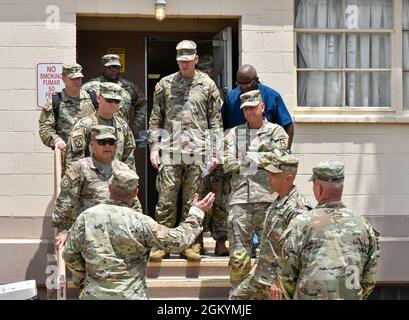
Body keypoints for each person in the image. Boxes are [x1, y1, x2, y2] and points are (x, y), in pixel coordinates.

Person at [63, 165, 215, 299]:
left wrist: (87, 275)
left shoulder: (86, 218)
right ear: (136, 192)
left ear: (109, 187)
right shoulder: (143, 223)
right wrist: (196, 213)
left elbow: (69, 254)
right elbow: (177, 241)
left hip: (94, 295)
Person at [148, 40, 223, 261]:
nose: (184, 65)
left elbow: (215, 121)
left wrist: (215, 152)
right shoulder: (165, 84)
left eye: (188, 61)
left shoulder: (208, 85)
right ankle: (161, 243)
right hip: (170, 150)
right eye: (181, 61)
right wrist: (154, 147)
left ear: (196, 59)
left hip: (198, 151)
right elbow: (156, 119)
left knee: (194, 199)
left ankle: (191, 244)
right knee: (166, 198)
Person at [277, 161, 381, 300]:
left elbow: (286, 276)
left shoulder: (301, 224)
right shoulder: (363, 225)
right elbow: (369, 277)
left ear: (318, 187)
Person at [223, 89, 289, 289]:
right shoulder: (234, 134)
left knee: (270, 253)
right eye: (245, 109)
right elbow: (227, 163)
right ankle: (239, 295)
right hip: (240, 201)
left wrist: (248, 159)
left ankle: (269, 292)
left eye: (253, 108)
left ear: (262, 107)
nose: (249, 112)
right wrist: (262, 159)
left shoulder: (276, 132)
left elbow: (280, 160)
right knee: (238, 256)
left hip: (268, 199)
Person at [230, 149, 312, 299]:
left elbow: (294, 253)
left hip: (278, 283)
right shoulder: (277, 202)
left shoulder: (297, 209)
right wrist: (257, 264)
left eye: (274, 174)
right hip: (262, 275)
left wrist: (279, 282)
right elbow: (268, 238)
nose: (268, 177)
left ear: (288, 178)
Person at [53, 125, 141, 249]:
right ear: (92, 144)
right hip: (90, 234)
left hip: (119, 234)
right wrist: (63, 231)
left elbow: (134, 202)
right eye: (102, 142)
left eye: (111, 142)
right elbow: (65, 202)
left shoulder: (123, 169)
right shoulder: (80, 168)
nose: (107, 146)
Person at [196, 54, 228, 256]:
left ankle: (220, 241)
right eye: (203, 69)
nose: (206, 73)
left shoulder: (220, 94)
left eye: (208, 70)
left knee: (220, 198)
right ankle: (196, 239)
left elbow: (219, 124)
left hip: (217, 152)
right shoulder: (193, 92)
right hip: (197, 153)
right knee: (198, 195)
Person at [65, 82, 136, 171]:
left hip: (116, 181)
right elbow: (74, 160)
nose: (113, 104)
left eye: (117, 101)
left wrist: (130, 181)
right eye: (109, 100)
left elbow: (129, 159)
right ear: (98, 98)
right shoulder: (84, 125)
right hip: (92, 181)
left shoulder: (123, 126)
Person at [222, 64, 294, 148]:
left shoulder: (271, 96)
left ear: (256, 80)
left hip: (264, 147)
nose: (243, 87)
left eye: (247, 84)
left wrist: (285, 152)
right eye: (240, 84)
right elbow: (222, 124)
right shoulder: (231, 98)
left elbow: (288, 125)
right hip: (240, 147)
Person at [39, 63, 95, 165]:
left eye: (79, 78)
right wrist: (56, 140)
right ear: (63, 78)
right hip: (69, 161)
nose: (77, 81)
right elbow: (45, 128)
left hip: (93, 160)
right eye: (72, 78)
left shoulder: (93, 99)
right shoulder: (55, 102)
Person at [82, 54, 146, 136]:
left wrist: (135, 127)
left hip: (121, 134)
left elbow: (143, 105)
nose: (113, 70)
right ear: (102, 68)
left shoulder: (128, 87)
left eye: (116, 67)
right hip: (97, 135)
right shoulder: (90, 86)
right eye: (110, 67)